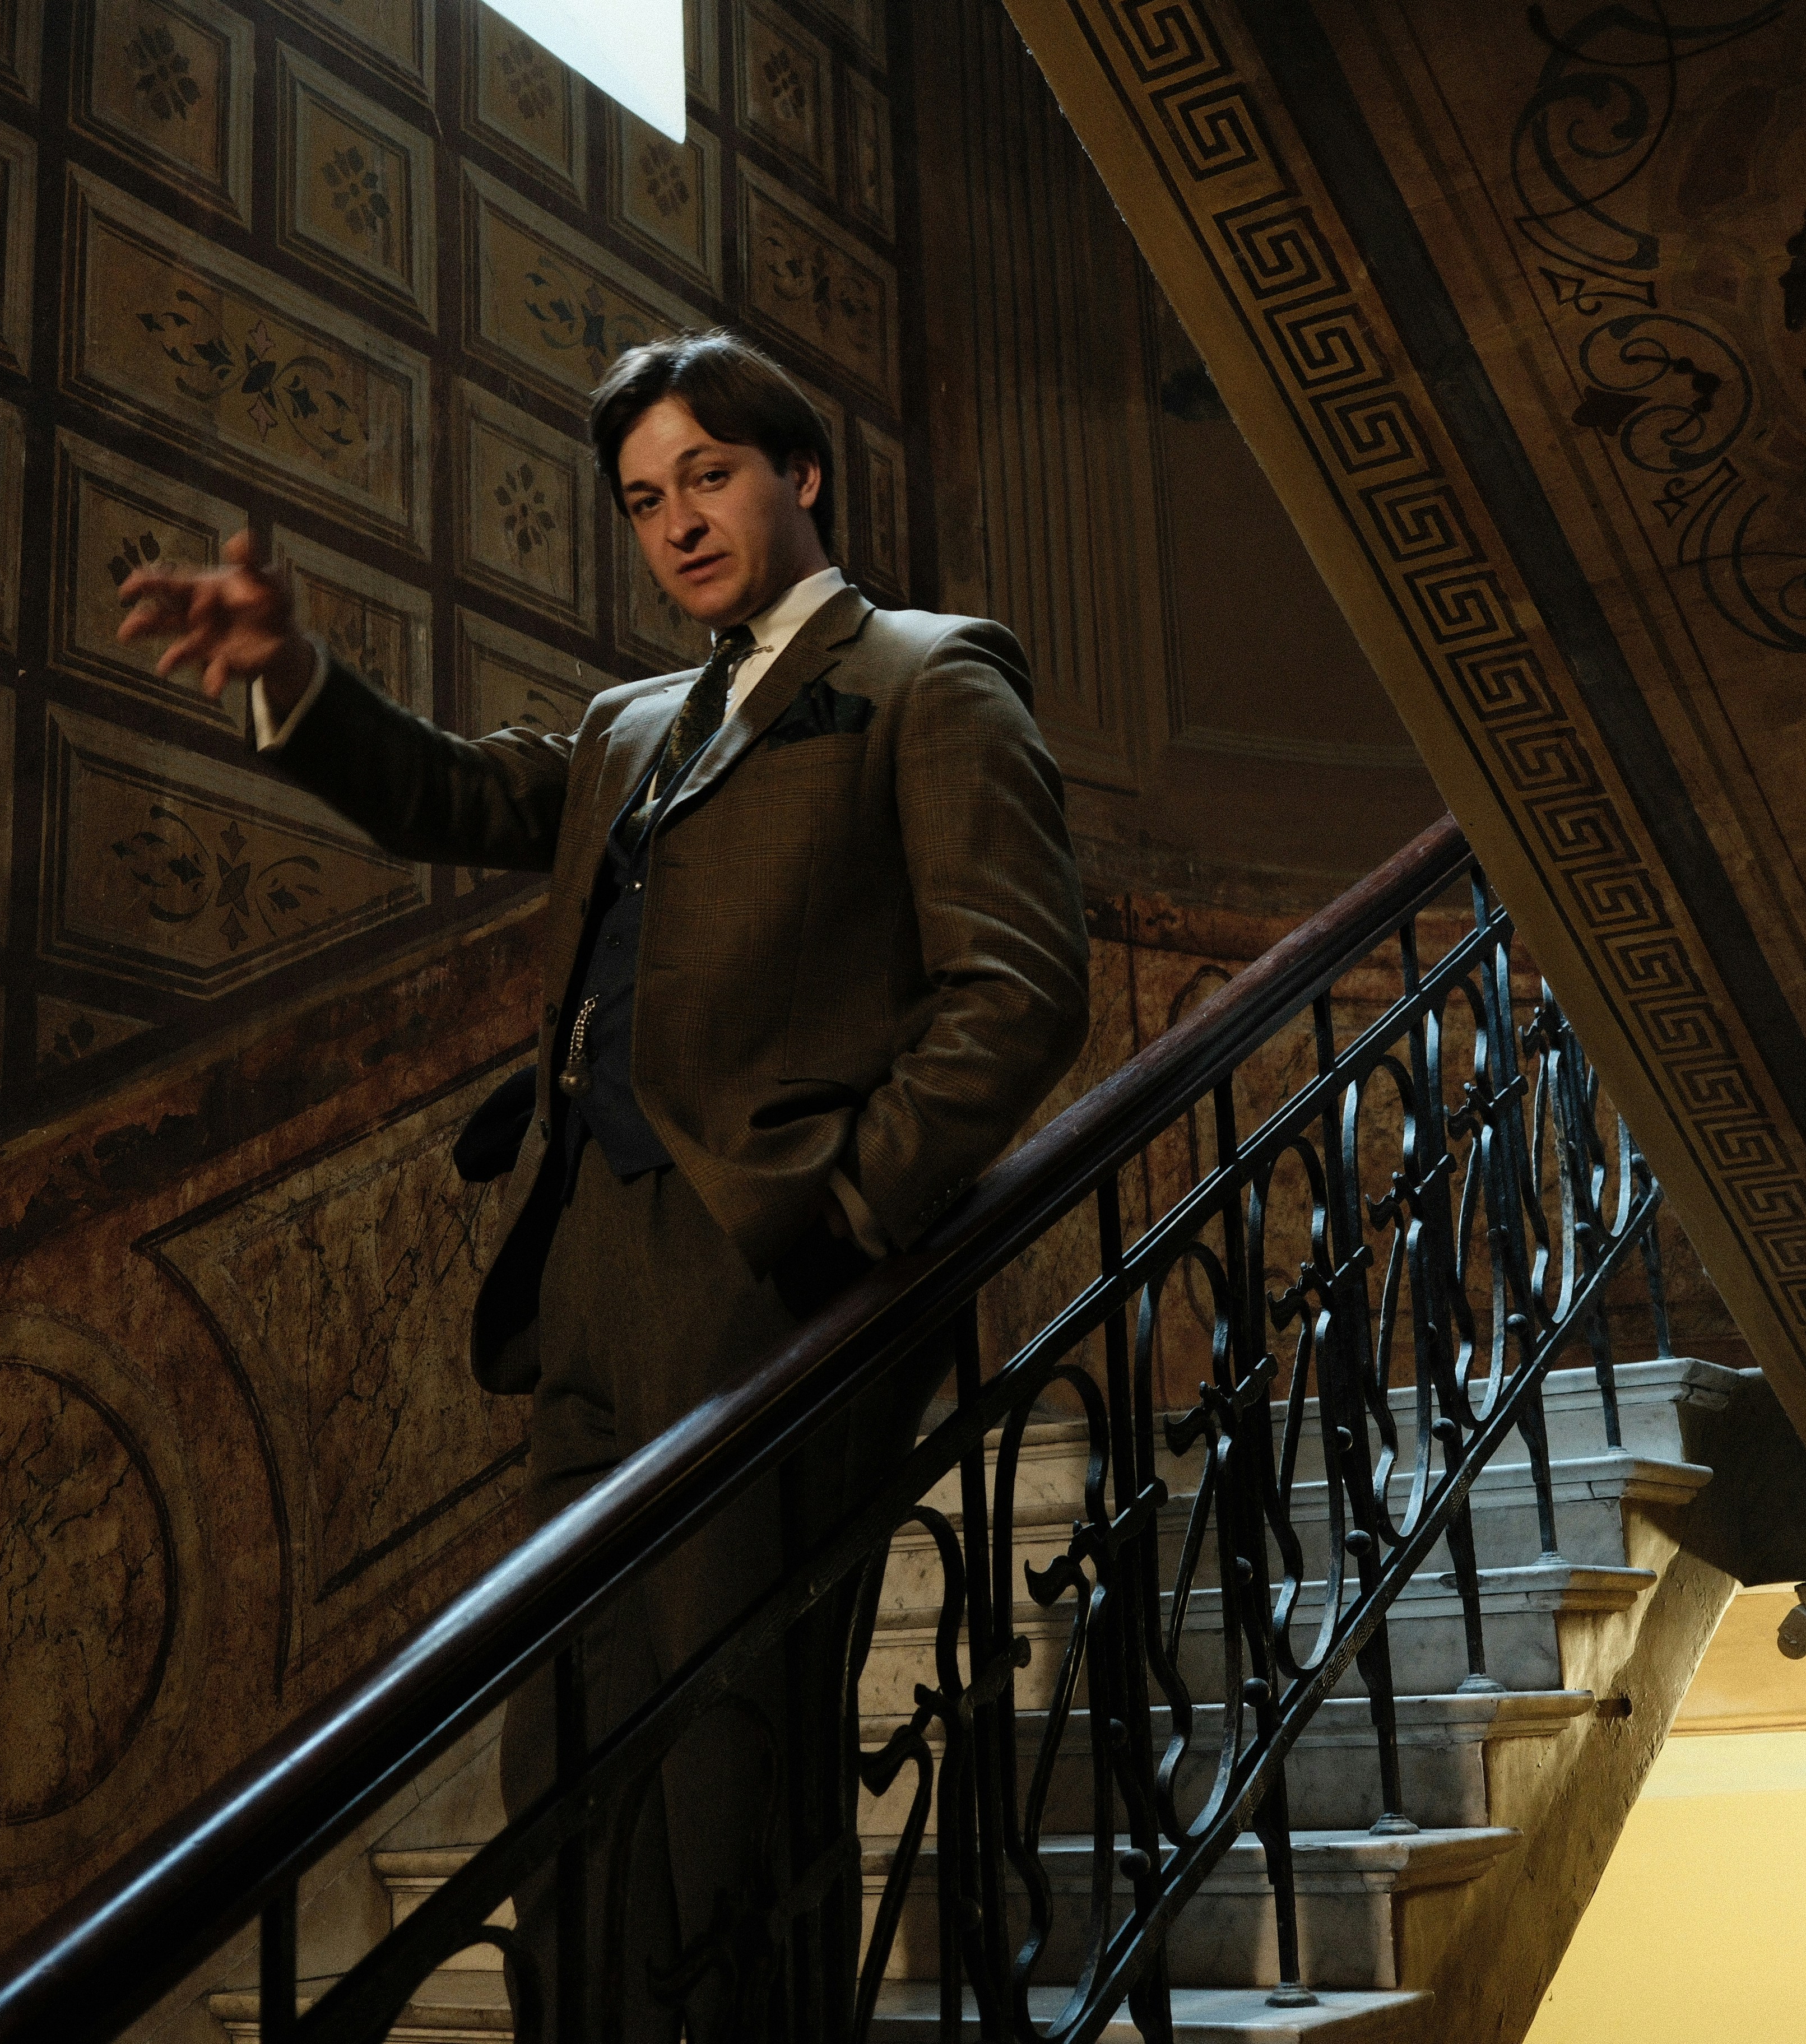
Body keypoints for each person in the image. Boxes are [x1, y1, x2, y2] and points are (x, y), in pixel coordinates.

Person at [120, 329, 1087, 2041]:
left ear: (799, 477)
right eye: (645, 501)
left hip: (767, 1276)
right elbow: (443, 793)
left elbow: (1016, 991)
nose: (680, 525)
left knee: (730, 1755)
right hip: (584, 1282)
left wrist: (843, 1215)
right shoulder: (633, 724)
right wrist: (295, 682)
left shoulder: (929, 680)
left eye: (707, 477)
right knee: (561, 1740)